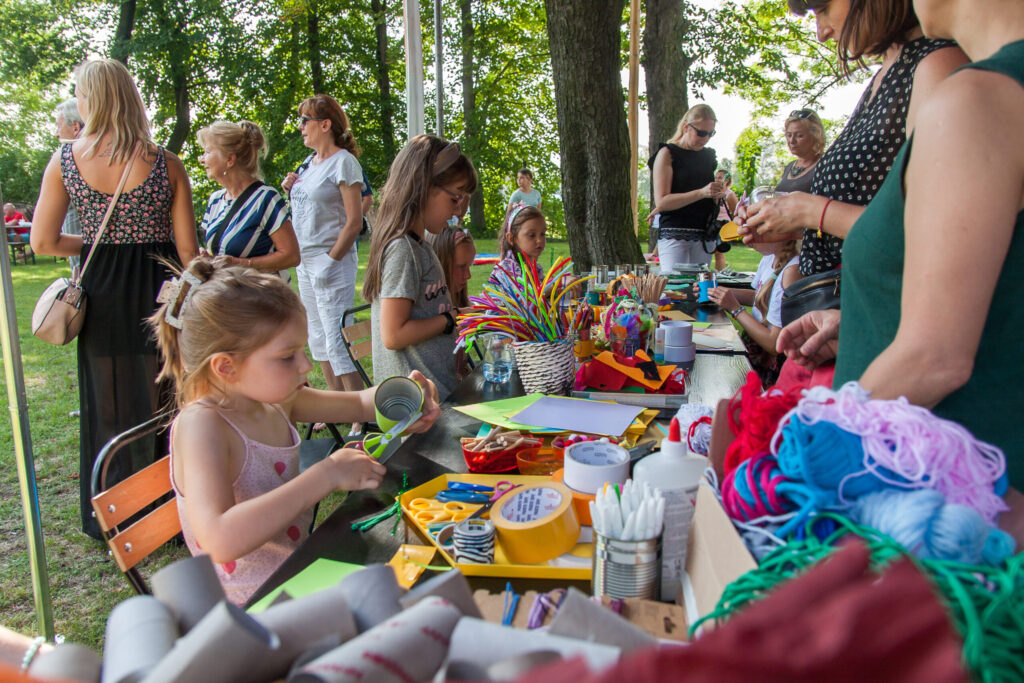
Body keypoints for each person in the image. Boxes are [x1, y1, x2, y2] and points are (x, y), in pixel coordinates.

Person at [776, 0, 1024, 502]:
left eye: (820, 8)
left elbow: (937, 358)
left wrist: (794, 459)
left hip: (946, 488)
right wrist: (864, 323)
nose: (823, 34)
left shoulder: (975, 95)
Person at [150, 258, 440, 604]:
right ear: (226, 366)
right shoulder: (204, 426)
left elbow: (361, 404)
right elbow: (219, 538)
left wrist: (410, 397)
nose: (305, 365)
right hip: (250, 606)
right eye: (287, 356)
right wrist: (327, 474)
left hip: (300, 572)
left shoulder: (274, 400)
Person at [30, 58, 198, 539]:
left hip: (101, 292)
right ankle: (172, 505)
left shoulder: (65, 161)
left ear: (90, 100)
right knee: (168, 401)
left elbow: (42, 242)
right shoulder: (165, 162)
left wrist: (96, 245)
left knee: (108, 406)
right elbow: (187, 251)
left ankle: (114, 513)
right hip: (159, 294)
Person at [740, 0, 967, 277]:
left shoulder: (935, 64)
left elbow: (935, 226)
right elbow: (871, 214)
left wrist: (811, 210)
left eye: (822, 9)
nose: (820, 32)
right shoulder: (887, 73)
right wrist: (789, 225)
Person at [362, 135, 478, 401]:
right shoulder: (403, 250)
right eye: (455, 198)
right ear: (424, 187)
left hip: (436, 397)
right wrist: (451, 318)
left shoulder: (420, 246)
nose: (458, 211)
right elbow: (393, 335)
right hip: (416, 410)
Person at [281, 94, 365, 393]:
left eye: (305, 120)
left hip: (332, 259)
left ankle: (358, 413)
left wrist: (330, 261)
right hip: (304, 261)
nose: (300, 126)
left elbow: (354, 221)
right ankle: (336, 404)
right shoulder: (308, 164)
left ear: (325, 124)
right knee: (317, 337)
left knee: (336, 338)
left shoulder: (344, 162)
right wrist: (290, 187)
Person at [197, 120, 299, 273]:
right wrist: (208, 257)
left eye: (208, 152)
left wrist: (241, 263)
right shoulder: (215, 200)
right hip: (227, 294)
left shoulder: (266, 198)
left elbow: (292, 256)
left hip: (259, 294)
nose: (202, 159)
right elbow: (221, 251)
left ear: (230, 160)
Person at [707, 239, 801, 386]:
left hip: (769, 369)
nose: (746, 239)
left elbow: (774, 344)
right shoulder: (770, 257)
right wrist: (718, 293)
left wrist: (735, 309)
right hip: (756, 349)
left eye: (755, 229)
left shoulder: (792, 271)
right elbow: (760, 296)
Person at [648, 104, 725, 273]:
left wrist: (716, 194)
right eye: (701, 133)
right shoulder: (668, 153)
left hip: (704, 234)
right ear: (686, 128)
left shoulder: (708, 156)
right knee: (677, 288)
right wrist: (702, 192)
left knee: (700, 291)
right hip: (675, 232)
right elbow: (662, 201)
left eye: (711, 134)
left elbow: (707, 196)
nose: (706, 138)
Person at [432, 227, 477, 379]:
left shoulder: (460, 302)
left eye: (470, 266)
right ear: (441, 264)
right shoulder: (435, 315)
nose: (469, 275)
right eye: (461, 267)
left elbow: (461, 369)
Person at [54, 98, 84, 270]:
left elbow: (42, 241)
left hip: (86, 266)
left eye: (59, 126)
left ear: (75, 128)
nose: (57, 133)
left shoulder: (66, 163)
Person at [489, 204, 547, 285]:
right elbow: (521, 296)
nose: (540, 240)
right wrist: (552, 286)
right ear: (511, 238)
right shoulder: (504, 271)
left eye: (543, 234)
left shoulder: (537, 268)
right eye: (531, 235)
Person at [774, 109, 826, 194]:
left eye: (799, 136)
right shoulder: (790, 166)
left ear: (815, 135)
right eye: (789, 135)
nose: (792, 141)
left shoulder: (824, 165)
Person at [712, 169, 739, 271]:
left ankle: (720, 274)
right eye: (716, 177)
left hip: (723, 225)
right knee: (709, 249)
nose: (717, 179)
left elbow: (735, 211)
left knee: (719, 251)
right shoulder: (712, 192)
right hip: (712, 224)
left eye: (720, 177)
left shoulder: (729, 194)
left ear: (727, 180)